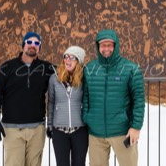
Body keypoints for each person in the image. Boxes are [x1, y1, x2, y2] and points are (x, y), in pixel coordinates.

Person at [0, 31, 55, 166]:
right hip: (13, 130)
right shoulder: (6, 68)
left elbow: (68, 74)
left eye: (36, 43)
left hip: (37, 130)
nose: (32, 45)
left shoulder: (47, 68)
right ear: (23, 45)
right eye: (29, 42)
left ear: (39, 48)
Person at [82, 29, 145, 166]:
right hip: (96, 134)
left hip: (122, 132)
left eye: (109, 45)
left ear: (115, 46)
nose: (106, 49)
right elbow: (85, 97)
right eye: (103, 45)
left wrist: (136, 127)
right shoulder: (90, 69)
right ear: (98, 46)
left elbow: (139, 100)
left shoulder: (131, 69)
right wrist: (87, 117)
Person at [46, 45, 88, 166]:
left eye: (72, 58)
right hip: (59, 131)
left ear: (78, 61)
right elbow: (51, 102)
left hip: (80, 130)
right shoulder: (54, 79)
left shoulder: (84, 79)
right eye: (66, 57)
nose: (68, 60)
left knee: (79, 163)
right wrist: (49, 125)